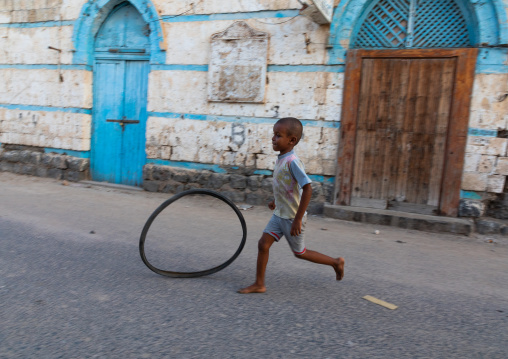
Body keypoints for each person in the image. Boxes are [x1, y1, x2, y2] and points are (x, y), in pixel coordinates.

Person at [238, 117, 345, 294]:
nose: (273, 138)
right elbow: (286, 186)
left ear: (292, 140)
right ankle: (259, 284)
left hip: (292, 218)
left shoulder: (293, 161)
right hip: (280, 214)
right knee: (263, 244)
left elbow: (308, 189)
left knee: (300, 253)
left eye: (278, 135)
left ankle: (336, 262)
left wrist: (297, 220)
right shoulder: (281, 158)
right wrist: (276, 201)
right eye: (274, 134)